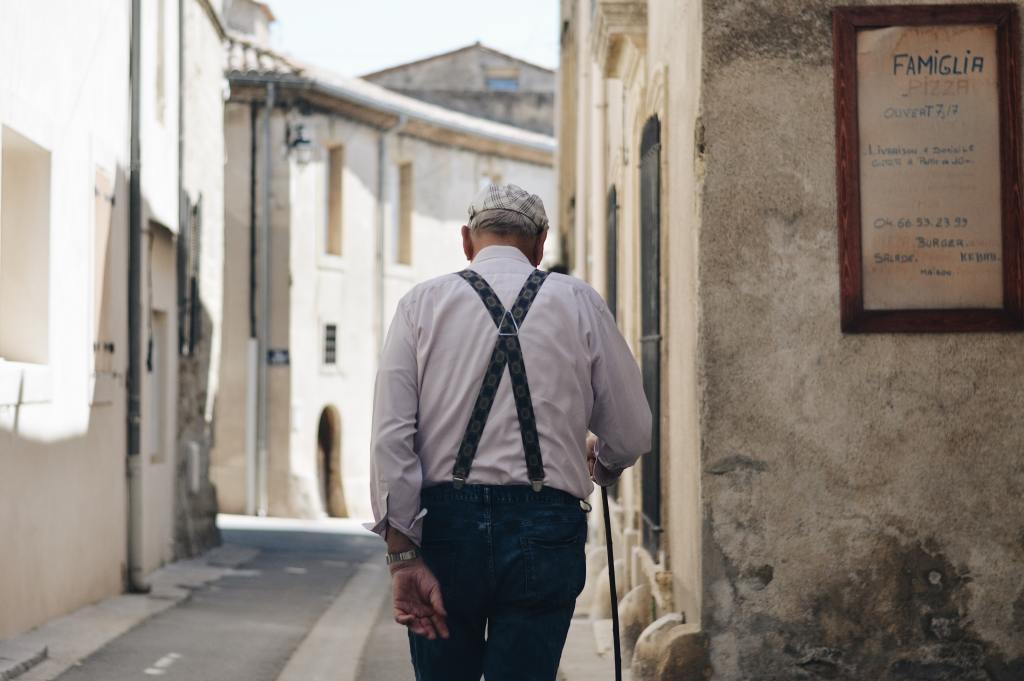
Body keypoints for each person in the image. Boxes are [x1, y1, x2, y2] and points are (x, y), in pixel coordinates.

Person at [366, 183, 651, 681]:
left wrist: (403, 553)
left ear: (466, 241)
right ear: (540, 244)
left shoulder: (421, 305)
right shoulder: (580, 301)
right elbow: (630, 430)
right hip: (545, 531)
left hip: (445, 532)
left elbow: (391, 438)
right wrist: (603, 464)